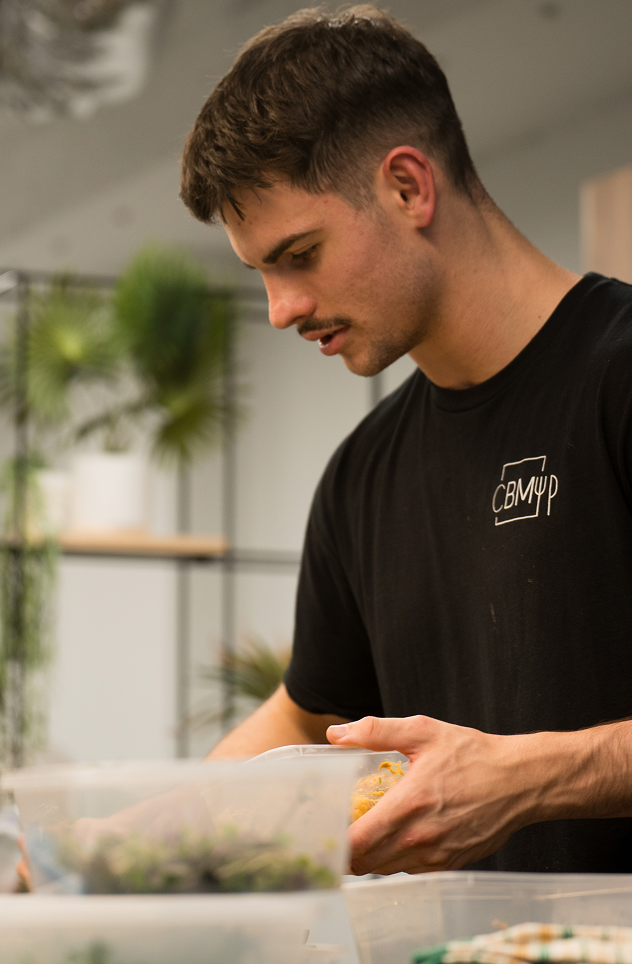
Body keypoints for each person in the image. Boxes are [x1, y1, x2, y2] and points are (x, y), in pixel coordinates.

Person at [179, 6, 632, 875]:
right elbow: (307, 715)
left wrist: (529, 779)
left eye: (300, 254)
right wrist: (126, 837)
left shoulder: (622, 379)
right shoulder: (363, 475)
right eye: (261, 273)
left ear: (407, 187)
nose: (281, 309)